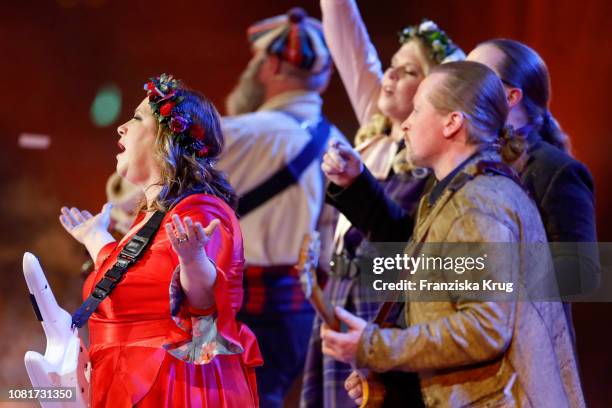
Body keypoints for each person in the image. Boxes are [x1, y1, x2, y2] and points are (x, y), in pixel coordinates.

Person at [320, 61, 584, 407]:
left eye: (417, 109)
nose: (407, 123)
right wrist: (386, 369)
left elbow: (485, 327)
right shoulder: (458, 190)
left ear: (452, 122)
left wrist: (375, 347)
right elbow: (434, 292)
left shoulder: (478, 201)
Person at [59, 73, 261, 407]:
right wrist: (95, 237)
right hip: (128, 382)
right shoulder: (149, 221)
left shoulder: (202, 210)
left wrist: (194, 259)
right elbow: (133, 282)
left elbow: (206, 308)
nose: (121, 127)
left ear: (165, 139)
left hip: (174, 387)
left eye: (137, 118)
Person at [301, 0, 464, 405]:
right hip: (340, 295)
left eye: (409, 71)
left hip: (386, 302)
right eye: (391, 65)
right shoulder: (373, 134)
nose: (388, 75)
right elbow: (346, 36)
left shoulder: (437, 161)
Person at [216, 7, 346, 407]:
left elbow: (129, 193)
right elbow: (331, 247)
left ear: (270, 64)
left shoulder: (235, 134)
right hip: (297, 317)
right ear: (323, 76)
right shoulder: (340, 143)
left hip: (235, 309)